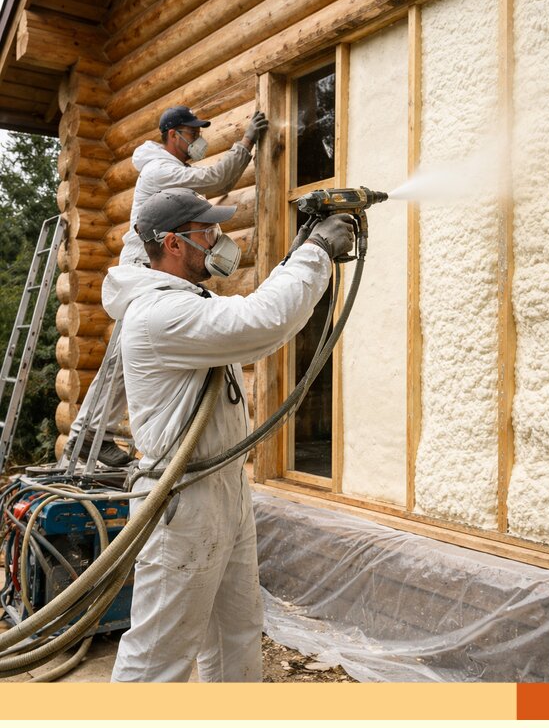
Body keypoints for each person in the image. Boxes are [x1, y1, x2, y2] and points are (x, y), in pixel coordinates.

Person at [102, 187, 354, 682]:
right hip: (184, 497)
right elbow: (260, 322)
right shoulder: (159, 313)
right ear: (173, 243)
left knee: (235, 633)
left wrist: (296, 257)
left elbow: (251, 311)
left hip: (224, 487)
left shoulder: (190, 301)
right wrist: (316, 252)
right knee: (160, 652)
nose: (220, 240)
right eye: (208, 231)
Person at [63, 106, 268, 467]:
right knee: (125, 355)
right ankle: (89, 433)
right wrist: (247, 141)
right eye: (193, 133)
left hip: (156, 268)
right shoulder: (160, 169)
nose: (199, 140)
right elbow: (217, 179)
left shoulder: (173, 172)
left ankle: (90, 432)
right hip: (147, 267)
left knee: (131, 353)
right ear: (174, 135)